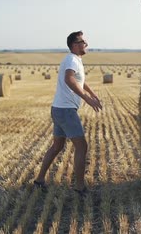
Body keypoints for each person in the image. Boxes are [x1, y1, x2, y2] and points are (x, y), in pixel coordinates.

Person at [33, 31, 102, 196]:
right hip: (65, 110)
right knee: (82, 146)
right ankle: (79, 187)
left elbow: (80, 81)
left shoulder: (74, 60)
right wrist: (86, 98)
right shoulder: (72, 59)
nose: (86, 44)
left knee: (57, 146)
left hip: (58, 109)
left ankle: (39, 180)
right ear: (75, 44)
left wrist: (92, 94)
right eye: (83, 41)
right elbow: (70, 79)